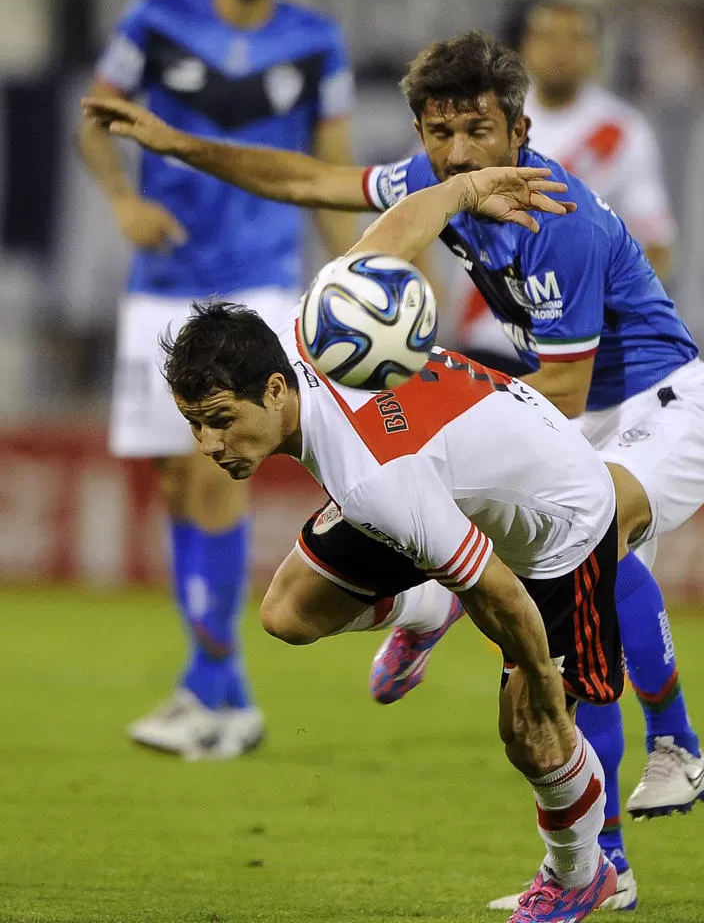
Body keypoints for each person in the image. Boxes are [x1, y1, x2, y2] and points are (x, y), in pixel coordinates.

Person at [82, 31, 704, 911]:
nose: (457, 151)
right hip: (544, 419)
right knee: (457, 542)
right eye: (440, 134)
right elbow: (307, 182)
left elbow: (563, 387)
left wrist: (415, 382)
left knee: (594, 540)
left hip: (664, 406)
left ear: (520, 127)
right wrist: (180, 146)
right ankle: (434, 599)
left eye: (476, 131)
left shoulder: (561, 223)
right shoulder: (445, 188)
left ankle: (672, 751)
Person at [161, 154, 626, 922]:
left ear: (275, 390)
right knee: (289, 614)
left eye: (220, 421)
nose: (210, 445)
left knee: (530, 732)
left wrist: (541, 679)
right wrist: (467, 190)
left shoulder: (375, 480)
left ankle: (579, 876)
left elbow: (500, 591)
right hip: (447, 480)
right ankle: (424, 604)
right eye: (196, 425)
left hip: (556, 523)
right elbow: (393, 234)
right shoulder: (317, 324)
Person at [78, 0, 357, 759]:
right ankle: (212, 687)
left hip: (259, 286)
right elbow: (96, 120)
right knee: (171, 480)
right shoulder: (155, 23)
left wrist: (355, 265)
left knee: (213, 473)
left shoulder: (318, 43)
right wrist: (120, 199)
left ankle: (221, 690)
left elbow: (328, 170)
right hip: (159, 283)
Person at [458, 0, 678, 373]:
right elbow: (416, 200)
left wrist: (613, 314)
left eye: (575, 38)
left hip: (576, 342)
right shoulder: (484, 121)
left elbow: (655, 243)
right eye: (547, 36)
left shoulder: (621, 132)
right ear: (524, 46)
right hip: (487, 332)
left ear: (595, 52)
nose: (560, 50)